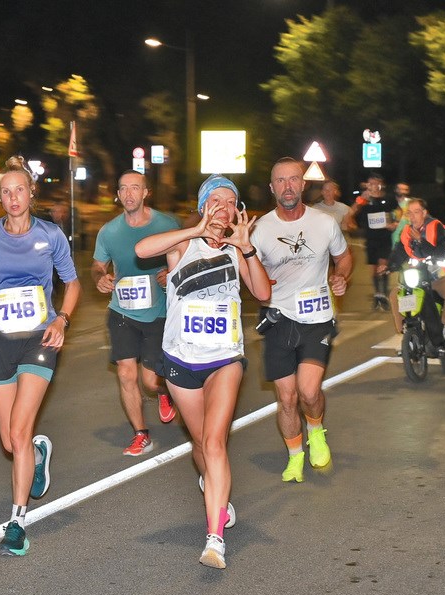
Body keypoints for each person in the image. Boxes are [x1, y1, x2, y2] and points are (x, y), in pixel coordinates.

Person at [135, 174, 271, 569]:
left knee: (214, 443)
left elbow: (263, 293)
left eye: (230, 201)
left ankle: (214, 539)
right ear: (202, 206)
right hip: (181, 360)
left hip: (224, 358)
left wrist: (247, 249)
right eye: (216, 200)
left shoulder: (237, 249)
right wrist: (194, 230)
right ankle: (214, 486)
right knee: (199, 444)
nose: (223, 207)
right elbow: (142, 250)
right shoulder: (182, 244)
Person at [0, 155, 81, 557]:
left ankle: (17, 523)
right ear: (0, 198)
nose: (13, 198)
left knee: (17, 433)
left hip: (39, 339)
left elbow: (72, 283)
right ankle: (38, 452)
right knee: (13, 443)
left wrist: (62, 319)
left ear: (31, 193)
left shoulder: (51, 235)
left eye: (20, 190)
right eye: (6, 192)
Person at [250, 157, 353, 485]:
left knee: (309, 392)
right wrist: (257, 281)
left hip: (316, 317)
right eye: (280, 180)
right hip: (278, 318)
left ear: (303, 184)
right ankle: (295, 455)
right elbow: (249, 273)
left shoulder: (324, 223)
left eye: (293, 179)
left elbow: (343, 257)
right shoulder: (260, 229)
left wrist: (341, 276)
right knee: (287, 397)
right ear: (272, 187)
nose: (288, 186)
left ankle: (316, 430)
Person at [91, 170, 180, 457]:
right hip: (122, 312)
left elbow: (184, 256)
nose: (129, 194)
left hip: (158, 312)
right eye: (123, 188)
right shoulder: (109, 231)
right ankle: (141, 434)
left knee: (150, 381)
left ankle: (164, 391)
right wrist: (99, 277)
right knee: (126, 374)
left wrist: (172, 272)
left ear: (145, 192)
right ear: (118, 195)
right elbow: (97, 265)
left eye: (135, 188)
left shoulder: (166, 224)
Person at [387, 197, 445, 356]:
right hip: (417, 277)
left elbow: (440, 252)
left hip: (437, 275)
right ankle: (407, 335)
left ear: (424, 213)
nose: (412, 216)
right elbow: (399, 251)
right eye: (409, 213)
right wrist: (388, 266)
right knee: (394, 295)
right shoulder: (406, 231)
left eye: (416, 212)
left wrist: (420, 241)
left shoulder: (436, 226)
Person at [344, 173, 396, 310]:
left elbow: (399, 212)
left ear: (381, 184)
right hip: (371, 238)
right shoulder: (364, 200)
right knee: (373, 269)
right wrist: (361, 199)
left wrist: (395, 223)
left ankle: (384, 294)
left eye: (375, 183)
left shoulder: (388, 198)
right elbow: (351, 212)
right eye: (370, 183)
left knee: (383, 266)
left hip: (385, 238)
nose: (373, 186)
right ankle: (378, 294)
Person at [390, 182, 412, 246]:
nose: (401, 191)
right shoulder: (389, 203)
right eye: (399, 189)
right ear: (395, 189)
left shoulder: (411, 203)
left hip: (408, 236)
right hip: (394, 236)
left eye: (404, 189)